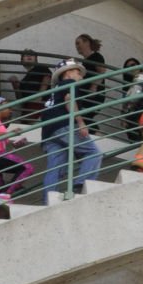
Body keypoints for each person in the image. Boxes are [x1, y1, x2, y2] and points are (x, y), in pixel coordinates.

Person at [40, 62, 101, 200]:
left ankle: (48, 201)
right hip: (64, 125)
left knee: (54, 169)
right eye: (78, 72)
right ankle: (80, 185)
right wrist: (80, 122)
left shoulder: (54, 90)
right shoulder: (69, 83)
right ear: (67, 73)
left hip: (49, 131)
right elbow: (69, 99)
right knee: (93, 153)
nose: (80, 75)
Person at [0, 103, 35, 215]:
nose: (11, 111)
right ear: (0, 108)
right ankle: (6, 194)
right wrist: (8, 134)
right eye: (9, 108)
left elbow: (1, 149)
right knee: (27, 167)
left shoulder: (1, 126)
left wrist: (16, 145)